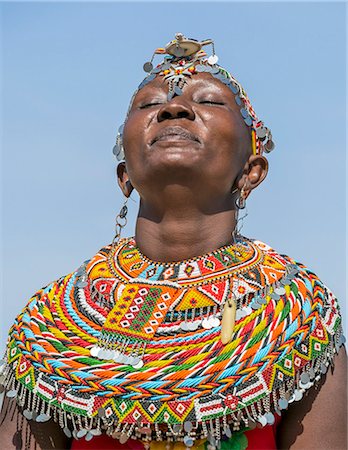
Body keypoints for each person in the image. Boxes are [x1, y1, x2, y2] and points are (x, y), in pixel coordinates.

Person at [0, 33, 346, 450]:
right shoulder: (50, 325)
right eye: (148, 105)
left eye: (210, 102)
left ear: (251, 171)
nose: (173, 108)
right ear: (125, 175)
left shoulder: (297, 311)